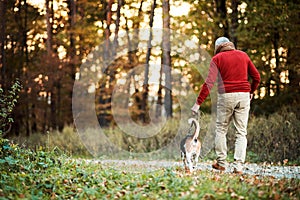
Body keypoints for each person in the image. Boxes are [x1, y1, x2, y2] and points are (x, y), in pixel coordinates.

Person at [191, 37, 260, 174]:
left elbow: (209, 83)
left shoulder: (217, 59)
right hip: (243, 96)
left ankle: (221, 163)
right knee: (241, 132)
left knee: (221, 130)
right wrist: (251, 92)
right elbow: (256, 77)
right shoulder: (243, 55)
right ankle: (238, 166)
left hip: (226, 96)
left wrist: (198, 103)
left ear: (218, 47)